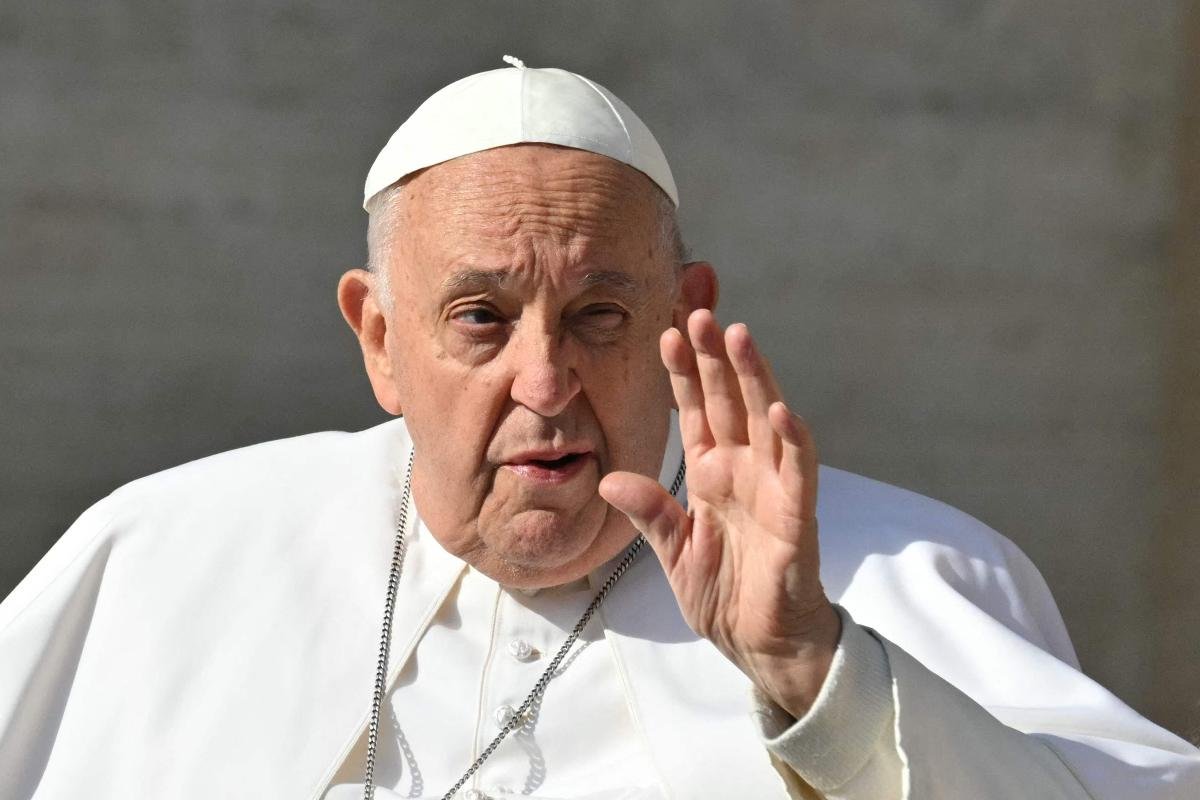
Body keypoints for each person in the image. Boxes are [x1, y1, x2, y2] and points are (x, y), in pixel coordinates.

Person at [1, 59, 1197, 800]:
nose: (546, 378)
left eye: (598, 315)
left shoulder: (902, 574)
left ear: (684, 317)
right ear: (378, 338)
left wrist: (812, 671)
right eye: (480, 316)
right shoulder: (162, 555)